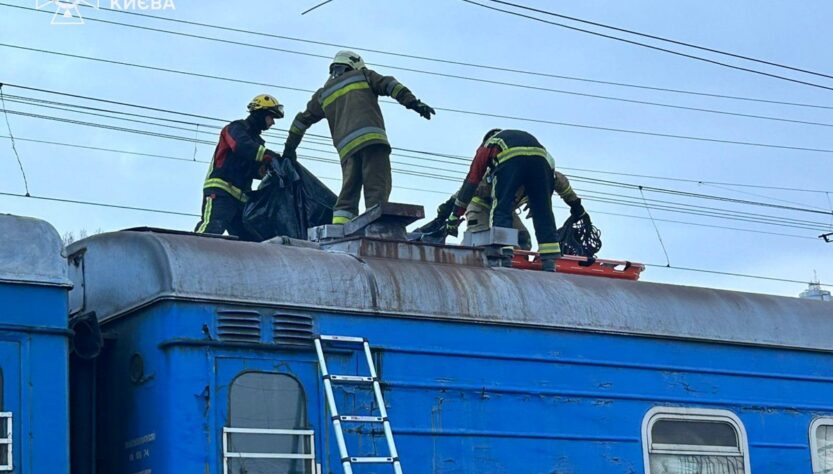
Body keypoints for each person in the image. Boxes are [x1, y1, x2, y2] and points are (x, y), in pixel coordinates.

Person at [282, 50, 435, 224]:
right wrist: (413, 103)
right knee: (377, 187)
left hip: (347, 151)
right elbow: (390, 85)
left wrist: (289, 149)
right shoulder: (363, 75)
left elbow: (301, 121)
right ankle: (375, 225)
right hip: (372, 142)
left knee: (348, 192)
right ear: (354, 64)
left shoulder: (323, 94)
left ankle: (339, 227)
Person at [446, 129, 586, 271]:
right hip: (480, 207)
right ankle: (539, 259)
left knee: (522, 237)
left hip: (505, 209)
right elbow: (466, 190)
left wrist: (577, 207)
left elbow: (471, 181)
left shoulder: (491, 150)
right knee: (482, 241)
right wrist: (451, 213)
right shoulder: (539, 165)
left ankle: (516, 258)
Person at [195, 94, 284, 238]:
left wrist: (267, 169)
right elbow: (241, 146)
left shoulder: (257, 142)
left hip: (242, 200)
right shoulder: (236, 128)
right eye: (271, 117)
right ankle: (193, 249)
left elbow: (252, 168)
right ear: (261, 113)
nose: (273, 122)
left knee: (249, 241)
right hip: (221, 191)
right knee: (211, 228)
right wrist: (269, 155)